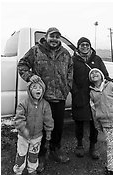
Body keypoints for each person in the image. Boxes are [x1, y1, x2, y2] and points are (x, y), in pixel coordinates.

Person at [17, 27, 73, 167]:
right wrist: (30, 76)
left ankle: (55, 150)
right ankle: (40, 154)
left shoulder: (65, 53)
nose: (54, 39)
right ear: (46, 37)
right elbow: (22, 64)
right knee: (40, 128)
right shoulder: (36, 50)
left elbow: (71, 72)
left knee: (58, 126)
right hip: (41, 98)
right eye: (52, 36)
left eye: (57, 37)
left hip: (59, 97)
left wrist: (67, 88)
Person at [71, 37, 111, 159]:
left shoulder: (97, 59)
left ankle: (93, 147)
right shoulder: (73, 60)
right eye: (82, 44)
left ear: (90, 46)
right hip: (79, 95)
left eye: (87, 44)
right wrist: (75, 92)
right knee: (79, 122)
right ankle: (79, 145)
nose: (84, 46)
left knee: (95, 122)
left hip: (96, 96)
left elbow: (105, 75)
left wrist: (109, 86)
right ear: (78, 47)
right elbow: (69, 78)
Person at [12, 79, 54, 175]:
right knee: (21, 154)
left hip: (37, 136)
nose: (37, 89)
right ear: (30, 90)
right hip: (23, 136)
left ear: (43, 90)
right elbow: (18, 119)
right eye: (34, 87)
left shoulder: (45, 105)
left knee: (33, 154)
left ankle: (32, 170)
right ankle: (18, 172)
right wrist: (23, 129)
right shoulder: (24, 103)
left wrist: (48, 131)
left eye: (40, 88)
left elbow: (48, 119)